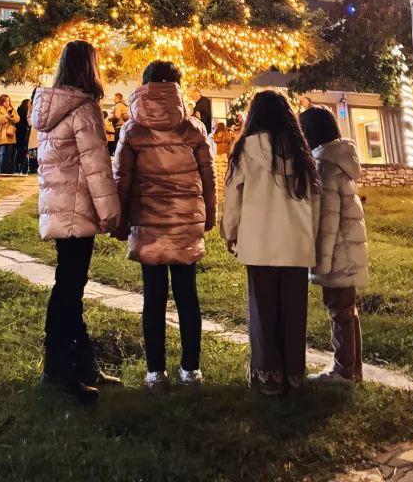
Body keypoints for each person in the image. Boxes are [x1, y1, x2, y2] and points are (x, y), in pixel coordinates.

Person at [114, 61, 217, 388]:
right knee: (187, 295)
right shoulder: (193, 128)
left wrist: (120, 221)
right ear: (176, 86)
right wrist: (210, 215)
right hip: (186, 221)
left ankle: (155, 372)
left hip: (148, 222)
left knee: (153, 298)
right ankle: (191, 370)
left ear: (145, 85)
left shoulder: (132, 130)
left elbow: (121, 179)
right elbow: (209, 176)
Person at [31, 40, 120, 402]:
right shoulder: (84, 109)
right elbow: (97, 168)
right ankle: (57, 371)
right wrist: (111, 215)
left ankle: (81, 365)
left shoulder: (49, 107)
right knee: (68, 290)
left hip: (58, 207)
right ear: (90, 68)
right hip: (76, 210)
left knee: (69, 286)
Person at [221, 91, 321, 396]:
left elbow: (233, 195)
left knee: (263, 312)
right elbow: (315, 200)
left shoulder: (245, 149)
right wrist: (311, 235)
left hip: (259, 241)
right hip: (296, 243)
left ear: (255, 116)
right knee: (293, 312)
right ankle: (294, 374)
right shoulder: (300, 151)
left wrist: (230, 231)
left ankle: (268, 377)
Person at [300, 106, 368, 386]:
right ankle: (353, 369)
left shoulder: (324, 166)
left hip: (337, 254)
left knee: (339, 312)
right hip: (348, 250)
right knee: (348, 312)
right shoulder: (341, 161)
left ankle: (343, 372)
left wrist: (320, 265)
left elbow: (326, 223)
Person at [0, 95, 19, 174]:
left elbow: (17, 119)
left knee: (8, 154)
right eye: (5, 101)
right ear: (1, 102)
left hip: (9, 134)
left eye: (8, 101)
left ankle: (5, 172)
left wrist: (12, 117)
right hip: (0, 134)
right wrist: (5, 117)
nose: (7, 103)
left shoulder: (13, 109)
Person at [15, 98, 32, 174]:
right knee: (20, 152)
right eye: (28, 104)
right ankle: (18, 168)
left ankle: (20, 168)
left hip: (23, 135)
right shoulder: (21, 112)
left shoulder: (25, 112)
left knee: (23, 152)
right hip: (21, 135)